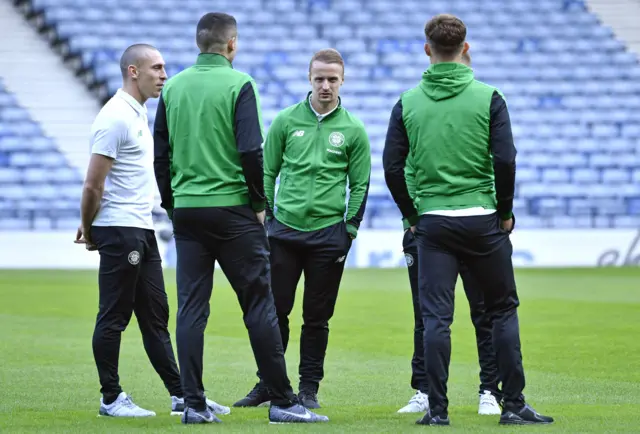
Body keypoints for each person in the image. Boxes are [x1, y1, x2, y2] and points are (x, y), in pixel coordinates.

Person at [153, 12, 328, 424]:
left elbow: (160, 154)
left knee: (191, 308)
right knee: (259, 306)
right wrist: (259, 201)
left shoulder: (173, 87)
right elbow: (251, 150)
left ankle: (193, 404)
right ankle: (284, 402)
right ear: (232, 44)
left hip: (189, 209)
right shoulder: (240, 84)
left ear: (199, 43)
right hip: (233, 209)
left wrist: (171, 204)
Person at [382, 14, 554, 426]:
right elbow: (506, 158)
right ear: (466, 49)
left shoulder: (407, 102)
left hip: (434, 223)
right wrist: (506, 211)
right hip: (482, 220)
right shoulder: (489, 96)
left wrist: (411, 213)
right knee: (501, 312)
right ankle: (512, 405)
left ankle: (437, 412)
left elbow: (391, 166)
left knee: (436, 318)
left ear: (427, 50)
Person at [75, 44, 229, 418]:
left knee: (156, 316)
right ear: (133, 71)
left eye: (164, 68)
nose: (163, 75)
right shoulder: (115, 117)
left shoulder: (138, 113)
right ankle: (110, 398)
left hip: (141, 229)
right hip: (120, 229)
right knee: (113, 316)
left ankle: (181, 396)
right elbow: (93, 184)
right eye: (156, 68)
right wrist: (88, 226)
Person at [234, 48, 371, 409]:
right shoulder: (285, 121)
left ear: (343, 81)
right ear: (309, 79)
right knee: (274, 312)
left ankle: (309, 388)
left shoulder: (354, 129)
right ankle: (269, 383)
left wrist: (350, 229)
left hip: (329, 235)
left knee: (317, 318)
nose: (325, 86)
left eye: (332, 79)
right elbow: (267, 171)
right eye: (319, 79)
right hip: (284, 233)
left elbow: (360, 184)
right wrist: (267, 215)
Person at [397, 50, 502, 417]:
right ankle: (424, 389)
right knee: (426, 314)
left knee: (481, 311)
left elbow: (492, 163)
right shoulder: (420, 113)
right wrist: (411, 218)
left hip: (451, 220)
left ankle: (489, 389)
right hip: (430, 223)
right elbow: (405, 168)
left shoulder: (443, 104)